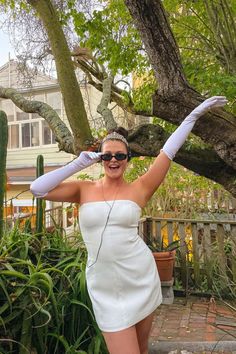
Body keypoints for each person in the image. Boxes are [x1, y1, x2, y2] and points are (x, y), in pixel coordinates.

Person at [30, 96, 227, 354]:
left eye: (120, 155)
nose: (113, 160)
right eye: (107, 155)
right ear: (100, 159)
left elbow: (168, 151)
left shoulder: (140, 189)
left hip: (140, 278)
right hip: (103, 285)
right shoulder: (83, 189)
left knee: (141, 349)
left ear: (128, 158)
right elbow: (38, 189)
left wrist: (194, 115)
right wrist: (79, 163)